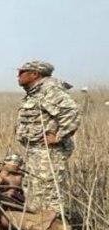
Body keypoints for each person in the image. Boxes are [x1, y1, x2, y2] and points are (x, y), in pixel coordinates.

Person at [15, 60, 81, 214]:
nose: (17, 76)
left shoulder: (50, 90)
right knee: (34, 190)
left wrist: (59, 136)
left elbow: (72, 112)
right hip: (36, 151)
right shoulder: (36, 92)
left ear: (35, 74)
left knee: (49, 192)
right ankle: (38, 228)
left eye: (21, 72)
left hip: (49, 152)